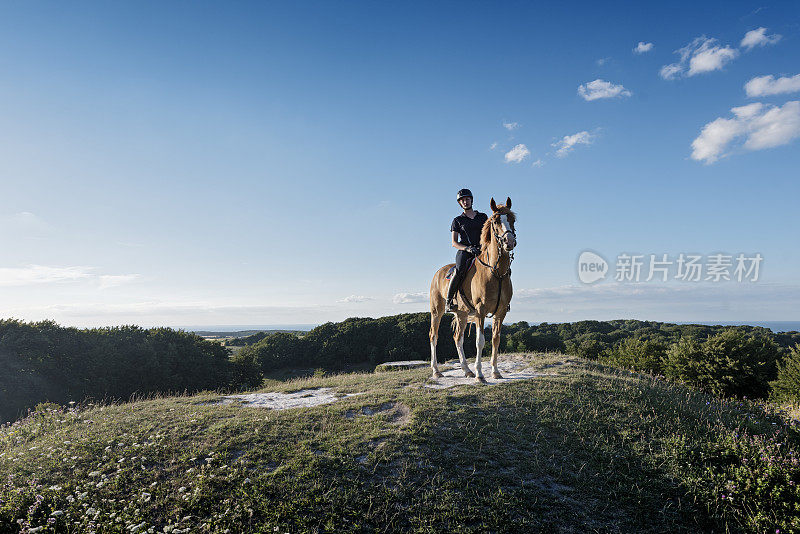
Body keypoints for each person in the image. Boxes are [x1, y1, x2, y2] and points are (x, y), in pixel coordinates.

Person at [446, 188, 488, 312]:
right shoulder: (457, 220)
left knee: (500, 265)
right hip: (465, 251)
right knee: (459, 270)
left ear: (472, 200)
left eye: (467, 199)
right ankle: (449, 300)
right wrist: (468, 248)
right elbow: (454, 243)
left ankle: (503, 300)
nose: (465, 202)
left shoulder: (482, 217)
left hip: (482, 249)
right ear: (460, 203)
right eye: (462, 200)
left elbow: (488, 234)